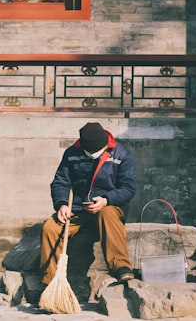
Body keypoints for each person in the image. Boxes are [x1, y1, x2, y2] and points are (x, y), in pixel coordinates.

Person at [39, 122, 137, 284]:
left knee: (107, 213)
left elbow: (128, 188)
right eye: (89, 152)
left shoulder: (121, 155)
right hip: (77, 209)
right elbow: (60, 182)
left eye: (96, 152)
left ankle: (121, 266)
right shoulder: (71, 153)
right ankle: (49, 279)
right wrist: (62, 204)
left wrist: (106, 200)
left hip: (108, 208)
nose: (92, 155)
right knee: (50, 228)